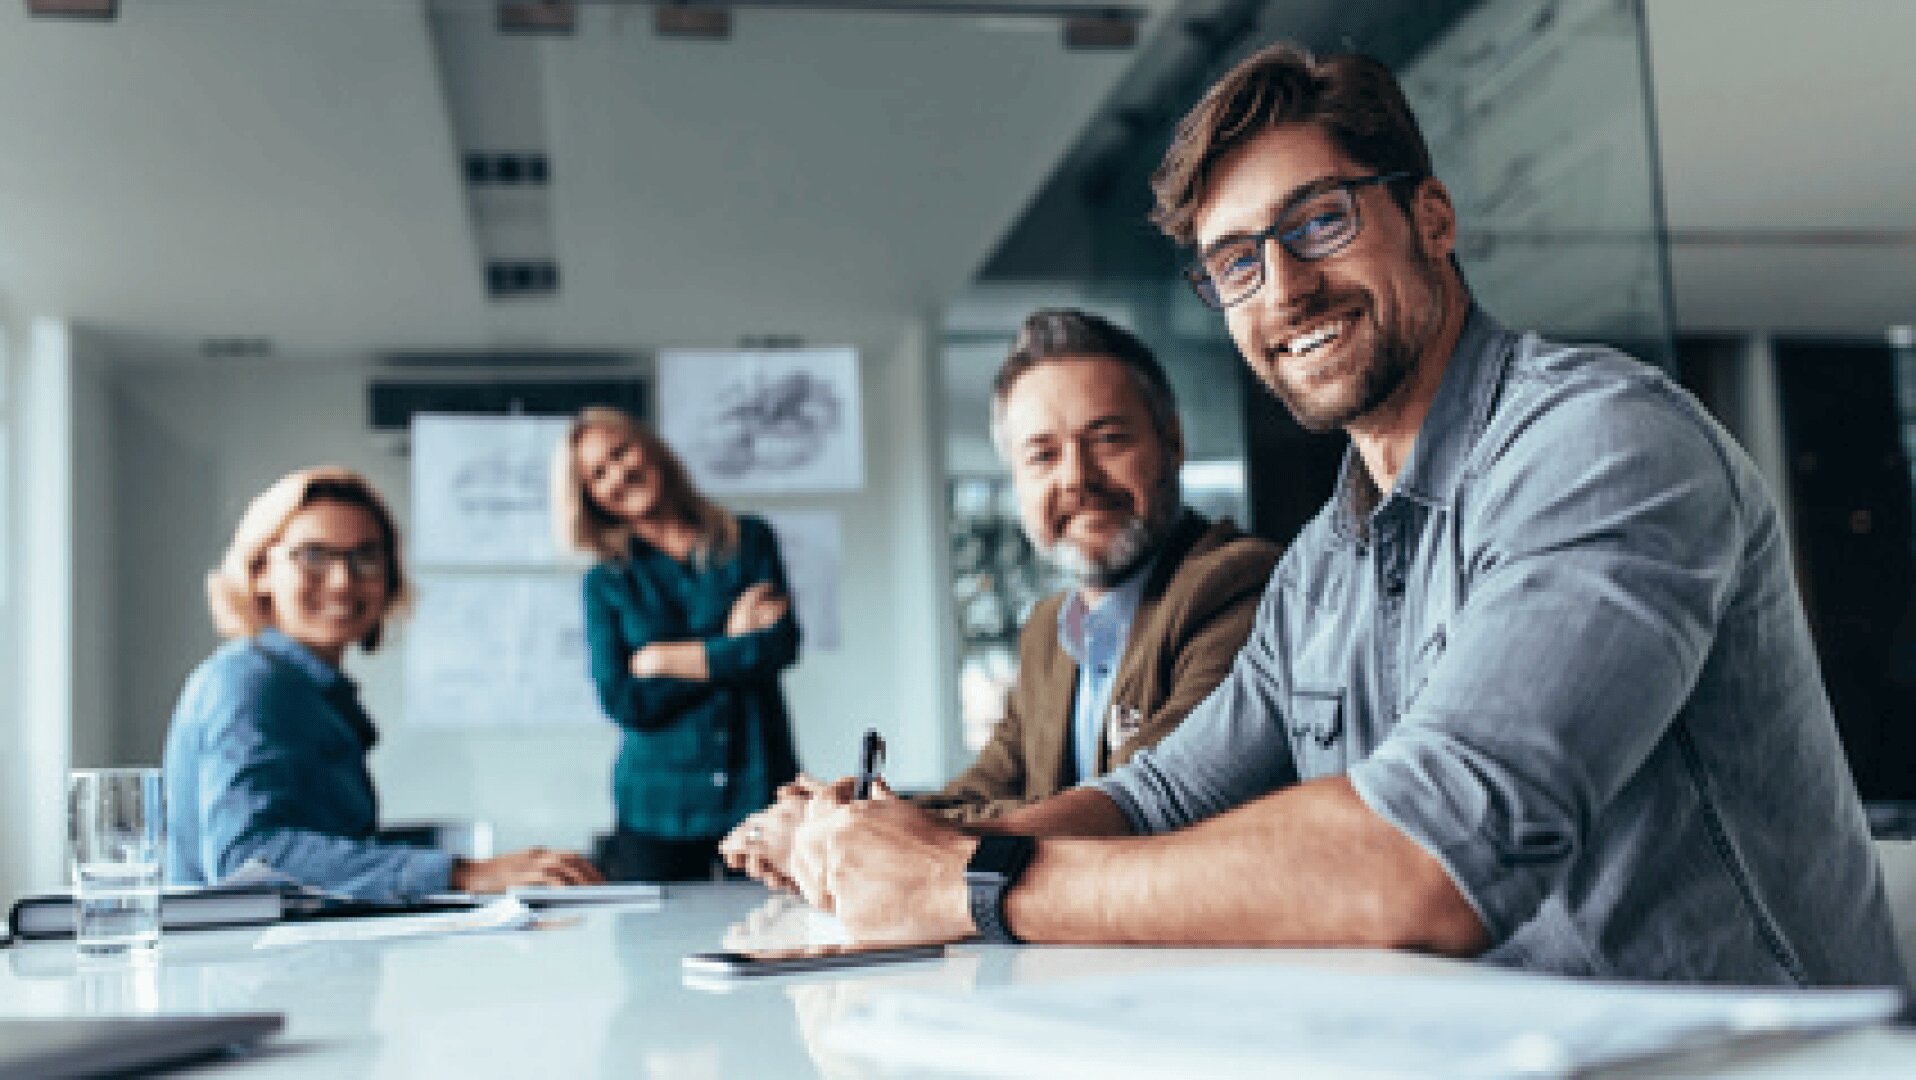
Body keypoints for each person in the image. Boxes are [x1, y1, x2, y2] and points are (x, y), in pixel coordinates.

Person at [785, 43, 1906, 987]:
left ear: (1429, 215)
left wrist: (973, 884)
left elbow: (1429, 858)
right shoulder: (1324, 560)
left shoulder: (1599, 446)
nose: (1281, 289)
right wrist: (907, 849)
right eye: (1233, 262)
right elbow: (1158, 794)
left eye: (1317, 222)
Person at [721, 310, 1279, 885]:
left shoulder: (1233, 585)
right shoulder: (1049, 628)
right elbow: (992, 785)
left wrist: (872, 838)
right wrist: (846, 820)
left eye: (1108, 439)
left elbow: (1149, 804)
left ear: (1173, 441)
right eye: (1042, 455)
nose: (1075, 478)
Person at [165, 466, 602, 901]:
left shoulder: (312, 691)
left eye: (366, 557)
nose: (342, 581)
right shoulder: (250, 684)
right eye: (313, 555)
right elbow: (247, 858)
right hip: (240, 965)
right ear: (260, 570)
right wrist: (460, 873)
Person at [554, 406, 802, 882]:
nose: (618, 474)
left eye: (620, 452)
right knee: (652, 950)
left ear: (649, 446)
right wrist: (730, 643)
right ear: (589, 497)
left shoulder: (748, 540)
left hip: (759, 788)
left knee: (779, 937)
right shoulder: (606, 581)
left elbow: (778, 647)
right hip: (657, 809)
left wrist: (665, 658)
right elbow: (625, 700)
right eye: (597, 473)